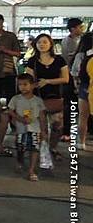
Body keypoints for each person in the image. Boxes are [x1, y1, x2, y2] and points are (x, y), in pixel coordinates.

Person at [25, 33, 69, 161]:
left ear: (50, 44)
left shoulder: (60, 60)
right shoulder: (32, 61)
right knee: (41, 127)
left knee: (57, 126)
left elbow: (65, 79)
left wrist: (48, 81)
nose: (42, 45)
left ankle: (52, 148)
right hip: (38, 98)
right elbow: (29, 79)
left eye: (45, 42)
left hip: (55, 96)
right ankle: (41, 150)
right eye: (39, 42)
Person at [7, 74, 48, 181]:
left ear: (33, 85)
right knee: (20, 147)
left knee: (34, 148)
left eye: (25, 84)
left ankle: (31, 169)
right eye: (20, 85)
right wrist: (19, 119)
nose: (22, 87)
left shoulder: (38, 100)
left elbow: (42, 116)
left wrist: (43, 131)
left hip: (35, 128)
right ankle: (20, 161)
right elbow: (10, 111)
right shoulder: (16, 99)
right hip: (21, 128)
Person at [61, 19, 84, 142]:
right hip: (71, 77)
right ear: (73, 29)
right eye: (80, 27)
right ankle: (68, 132)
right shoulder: (69, 41)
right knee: (71, 105)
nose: (81, 29)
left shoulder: (75, 40)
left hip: (73, 76)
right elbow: (72, 60)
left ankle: (70, 131)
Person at [75, 33, 93, 149]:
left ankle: (81, 142)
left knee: (83, 116)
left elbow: (75, 73)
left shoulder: (81, 55)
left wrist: (76, 85)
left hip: (84, 86)